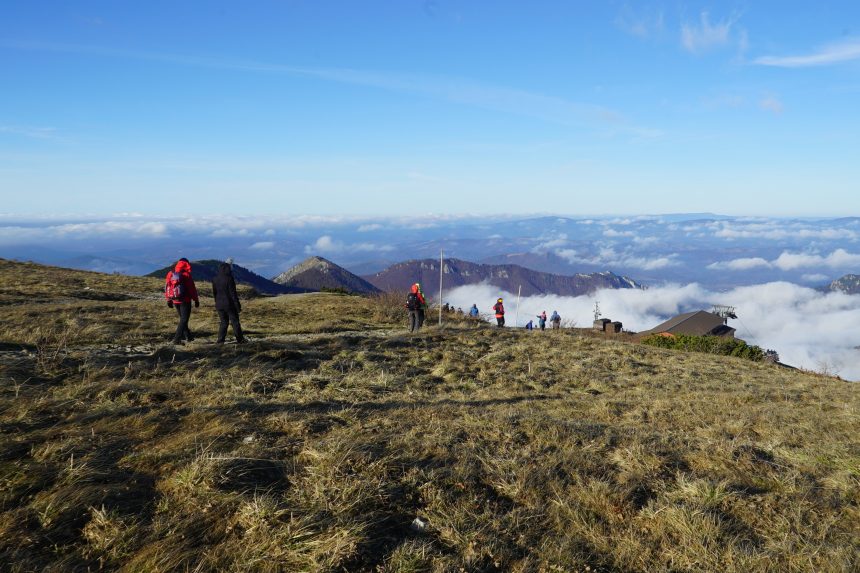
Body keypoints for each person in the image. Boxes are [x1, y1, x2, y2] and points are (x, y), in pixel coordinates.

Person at [165, 258, 199, 344]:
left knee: (183, 319)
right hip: (185, 300)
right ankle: (177, 339)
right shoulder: (186, 274)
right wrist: (196, 300)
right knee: (184, 320)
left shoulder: (170, 273)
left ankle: (189, 337)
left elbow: (167, 287)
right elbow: (192, 289)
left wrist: (168, 299)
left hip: (175, 300)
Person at [212, 261, 246, 344]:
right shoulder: (229, 279)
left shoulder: (215, 279)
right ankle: (240, 339)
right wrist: (237, 306)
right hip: (229, 304)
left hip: (219, 305)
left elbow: (215, 293)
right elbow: (233, 294)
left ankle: (220, 341)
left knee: (224, 322)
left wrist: (217, 302)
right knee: (235, 322)